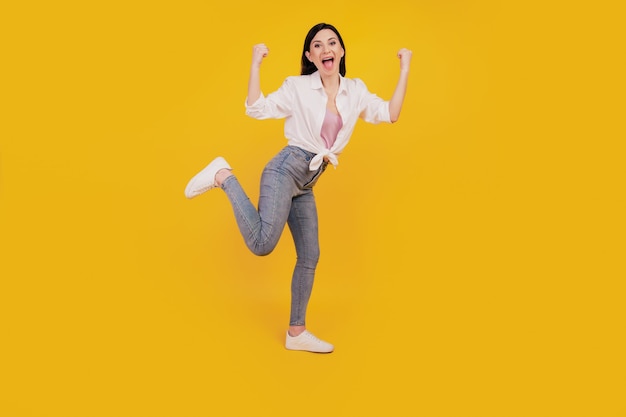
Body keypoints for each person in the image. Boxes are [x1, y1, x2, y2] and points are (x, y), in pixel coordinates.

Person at [185, 22, 412, 353]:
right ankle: (223, 175)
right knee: (263, 244)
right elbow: (256, 108)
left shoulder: (356, 91)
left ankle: (296, 332)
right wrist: (255, 65)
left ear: (342, 51)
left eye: (331, 43)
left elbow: (390, 113)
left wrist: (405, 68)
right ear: (310, 55)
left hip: (307, 180)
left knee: (310, 255)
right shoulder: (298, 87)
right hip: (285, 169)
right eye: (317, 46)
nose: (325, 49)